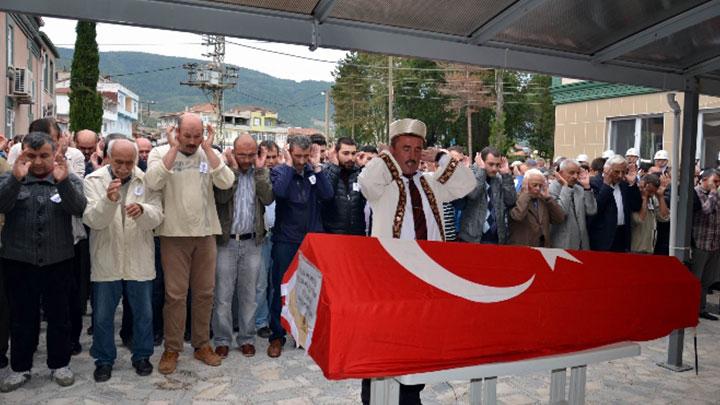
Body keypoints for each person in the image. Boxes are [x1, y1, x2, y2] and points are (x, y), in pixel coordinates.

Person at [358, 118, 474, 404]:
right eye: (405, 148)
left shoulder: (431, 184)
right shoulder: (383, 184)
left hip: (428, 277)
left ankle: (411, 396)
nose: (412, 155)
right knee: (384, 341)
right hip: (391, 277)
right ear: (393, 152)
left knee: (420, 339)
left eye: (417, 149)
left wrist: (441, 157)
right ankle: (374, 398)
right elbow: (367, 183)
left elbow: (467, 184)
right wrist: (387, 156)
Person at [145, 113, 235, 374]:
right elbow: (153, 182)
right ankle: (172, 349)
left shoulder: (207, 154)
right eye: (188, 136)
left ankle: (201, 344)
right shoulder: (160, 153)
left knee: (205, 293)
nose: (193, 141)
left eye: (198, 136)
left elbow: (226, 181)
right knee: (175, 295)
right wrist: (173, 148)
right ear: (176, 132)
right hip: (173, 234)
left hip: (206, 233)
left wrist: (208, 148)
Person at [0, 132, 87, 392]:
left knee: (59, 316)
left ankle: (60, 364)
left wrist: (63, 183)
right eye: (31, 155)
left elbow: (79, 208)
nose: (38, 162)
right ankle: (20, 368)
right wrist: (15, 180)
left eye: (44, 156)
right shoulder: (10, 178)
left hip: (57, 259)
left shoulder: (68, 179)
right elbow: (1, 205)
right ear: (22, 153)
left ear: (54, 154)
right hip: (19, 260)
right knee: (21, 317)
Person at [83, 138, 163, 382]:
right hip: (107, 256)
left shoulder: (147, 180)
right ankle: (104, 360)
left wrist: (143, 211)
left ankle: (141, 355)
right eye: (119, 162)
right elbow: (92, 220)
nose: (125, 167)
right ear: (107, 157)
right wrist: (108, 201)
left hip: (138, 256)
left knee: (143, 313)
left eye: (130, 162)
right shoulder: (93, 181)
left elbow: (158, 216)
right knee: (104, 315)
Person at [267, 135, 333, 358]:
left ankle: (304, 333)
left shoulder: (313, 172)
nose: (301, 160)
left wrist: (317, 167)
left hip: (311, 241)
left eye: (306, 156)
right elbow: (281, 192)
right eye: (298, 156)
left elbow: (328, 195)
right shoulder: (280, 171)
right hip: (286, 240)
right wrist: (287, 166)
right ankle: (277, 335)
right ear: (289, 152)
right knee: (279, 288)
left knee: (310, 288)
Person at [212, 134, 273, 359]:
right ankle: (222, 339)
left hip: (252, 242)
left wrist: (259, 172)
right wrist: (234, 171)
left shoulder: (261, 172)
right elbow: (222, 197)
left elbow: (268, 198)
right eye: (241, 155)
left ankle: (247, 338)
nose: (246, 159)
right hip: (226, 242)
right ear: (233, 153)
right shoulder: (225, 172)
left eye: (250, 154)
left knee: (249, 295)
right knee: (223, 295)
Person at [458, 146, 517, 244]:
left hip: (496, 238)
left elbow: (511, 201)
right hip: (472, 238)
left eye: (497, 165)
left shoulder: (501, 178)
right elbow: (473, 194)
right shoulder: (470, 173)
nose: (494, 168)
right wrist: (481, 171)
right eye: (491, 164)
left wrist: (506, 175)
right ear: (481, 161)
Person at [587, 155, 641, 252]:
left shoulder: (624, 184)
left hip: (621, 236)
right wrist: (607, 185)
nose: (620, 175)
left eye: (623, 172)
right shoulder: (594, 183)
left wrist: (632, 184)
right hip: (602, 238)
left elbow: (636, 206)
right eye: (616, 172)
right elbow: (595, 209)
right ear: (606, 170)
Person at [255, 140, 279, 339]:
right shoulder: (256, 176)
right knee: (261, 282)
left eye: (273, 157)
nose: (270, 161)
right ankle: (260, 321)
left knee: (277, 281)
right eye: (266, 157)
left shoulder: (284, 176)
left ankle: (276, 319)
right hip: (262, 236)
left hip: (280, 235)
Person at [508, 169, 565, 247]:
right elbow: (518, 216)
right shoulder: (516, 198)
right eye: (534, 185)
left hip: (542, 248)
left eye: (540, 185)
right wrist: (526, 194)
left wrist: (548, 198)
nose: (538, 188)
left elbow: (559, 218)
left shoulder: (543, 200)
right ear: (525, 184)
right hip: (522, 247)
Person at [548, 159, 597, 250]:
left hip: (582, 244)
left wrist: (587, 187)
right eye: (571, 173)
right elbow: (562, 213)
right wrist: (565, 187)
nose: (575, 176)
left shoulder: (579, 188)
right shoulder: (552, 189)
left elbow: (591, 210)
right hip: (563, 244)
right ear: (561, 173)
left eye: (577, 173)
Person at [691, 168, 720, 320]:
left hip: (714, 243)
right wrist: (714, 192)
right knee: (697, 278)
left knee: (707, 280)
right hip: (701, 243)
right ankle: (692, 308)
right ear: (705, 179)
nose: (716, 185)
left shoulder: (715, 195)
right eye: (714, 181)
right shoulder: (697, 193)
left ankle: (701, 308)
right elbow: (706, 210)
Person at [322, 137, 366, 235]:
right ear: (336, 153)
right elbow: (325, 197)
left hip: (356, 235)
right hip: (332, 235)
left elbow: (370, 196)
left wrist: (363, 168)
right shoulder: (326, 172)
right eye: (345, 153)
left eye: (353, 153)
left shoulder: (359, 174)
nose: (350, 158)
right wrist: (334, 168)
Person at [630, 173, 669, 254]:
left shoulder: (652, 199)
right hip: (636, 248)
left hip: (650, 248)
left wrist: (660, 196)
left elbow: (665, 217)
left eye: (653, 192)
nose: (651, 194)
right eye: (649, 191)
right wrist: (644, 198)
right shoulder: (634, 199)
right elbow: (639, 220)